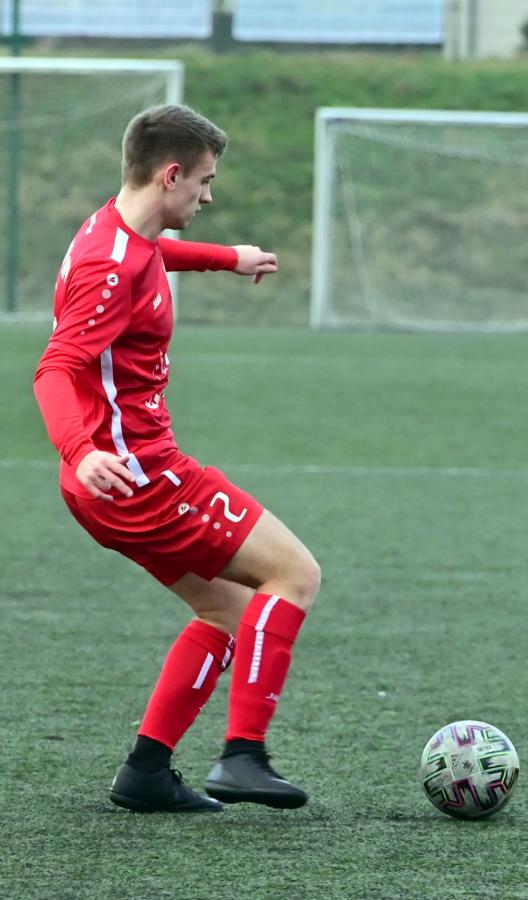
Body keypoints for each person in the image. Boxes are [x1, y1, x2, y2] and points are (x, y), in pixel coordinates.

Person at [33, 104, 320, 813]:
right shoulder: (108, 266)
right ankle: (244, 757)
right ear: (170, 175)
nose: (208, 195)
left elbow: (153, 257)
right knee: (294, 574)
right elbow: (55, 368)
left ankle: (146, 772)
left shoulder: (115, 231)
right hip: (139, 476)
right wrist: (82, 450)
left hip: (109, 481)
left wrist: (228, 258)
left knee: (226, 610)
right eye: (204, 181)